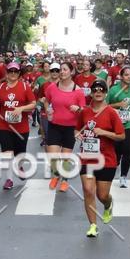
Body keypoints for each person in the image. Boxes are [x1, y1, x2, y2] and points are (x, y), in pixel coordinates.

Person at [76, 79, 125, 238]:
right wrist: (78, 136)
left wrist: (104, 133)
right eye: (95, 89)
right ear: (91, 92)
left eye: (101, 90)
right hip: (87, 158)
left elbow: (121, 136)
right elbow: (77, 129)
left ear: (105, 93)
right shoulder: (84, 111)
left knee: (102, 195)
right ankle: (93, 225)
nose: (98, 92)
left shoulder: (111, 112)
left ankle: (108, 204)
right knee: (88, 190)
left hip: (106, 159)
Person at [0, 61, 36, 190]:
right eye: (10, 71)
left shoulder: (25, 87)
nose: (13, 74)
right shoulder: (0, 87)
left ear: (19, 73)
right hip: (4, 125)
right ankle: (9, 179)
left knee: (20, 154)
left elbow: (33, 103)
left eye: (15, 71)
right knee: (7, 154)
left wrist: (21, 109)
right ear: (7, 73)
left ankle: (19, 166)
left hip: (21, 127)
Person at [43, 61, 86, 193]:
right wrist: (48, 110)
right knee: (53, 155)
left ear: (71, 72)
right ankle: (56, 175)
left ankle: (65, 180)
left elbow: (84, 111)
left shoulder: (78, 91)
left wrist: (78, 109)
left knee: (66, 157)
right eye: (60, 70)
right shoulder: (52, 87)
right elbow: (46, 100)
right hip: (54, 125)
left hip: (70, 128)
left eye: (65, 69)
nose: (62, 72)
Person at [108, 66, 130, 187]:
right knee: (117, 152)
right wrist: (118, 105)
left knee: (127, 151)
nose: (129, 77)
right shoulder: (114, 90)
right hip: (116, 125)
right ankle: (114, 167)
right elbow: (105, 106)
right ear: (121, 76)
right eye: (127, 75)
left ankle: (123, 176)